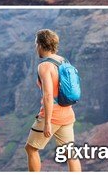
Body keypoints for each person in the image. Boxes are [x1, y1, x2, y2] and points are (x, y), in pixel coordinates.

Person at [25, 29, 81, 172]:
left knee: (31, 149)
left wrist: (47, 123)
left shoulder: (44, 66)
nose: (36, 47)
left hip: (52, 115)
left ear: (41, 45)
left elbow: (48, 95)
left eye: (36, 44)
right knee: (71, 153)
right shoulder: (63, 61)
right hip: (67, 114)